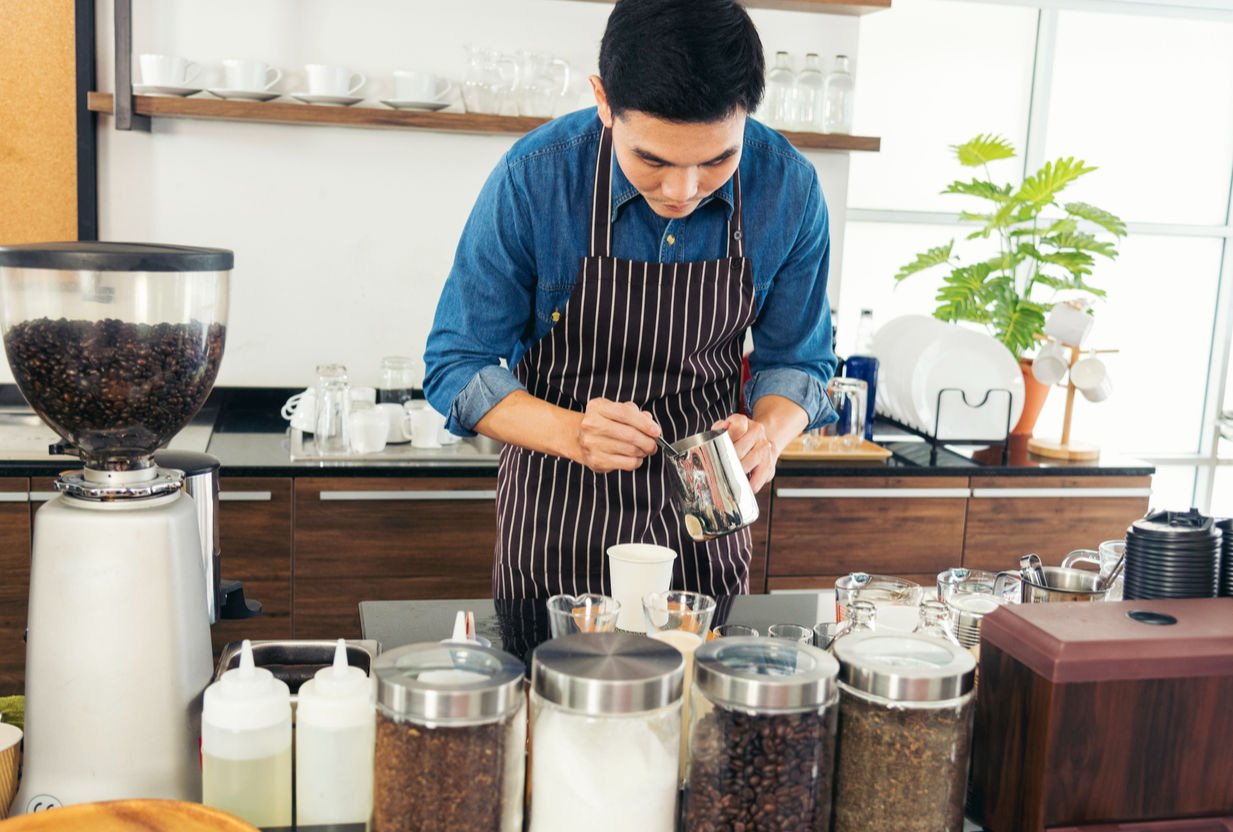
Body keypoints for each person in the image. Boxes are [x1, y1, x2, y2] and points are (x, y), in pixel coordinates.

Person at [424, 0, 837, 600]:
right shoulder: (535, 178)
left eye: (718, 159)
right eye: (653, 160)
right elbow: (456, 364)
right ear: (603, 100)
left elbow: (800, 360)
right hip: (555, 526)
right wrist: (574, 433)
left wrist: (769, 434)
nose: (683, 190)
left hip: (706, 529)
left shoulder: (789, 187)